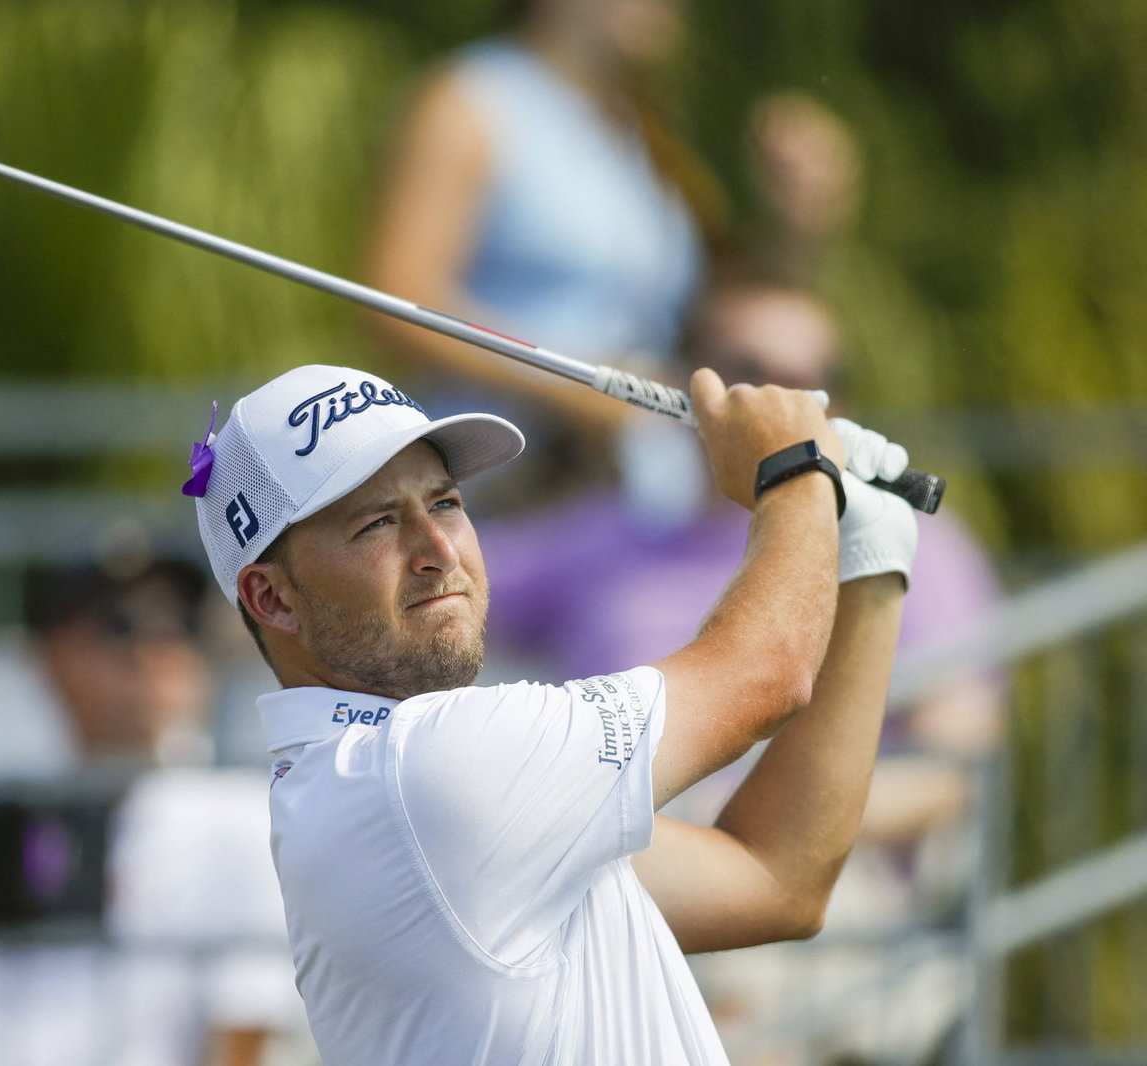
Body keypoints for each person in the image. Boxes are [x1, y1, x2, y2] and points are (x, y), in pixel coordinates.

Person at [183, 361, 918, 1063]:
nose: (439, 549)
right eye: (376, 523)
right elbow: (765, 674)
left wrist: (866, 563)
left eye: (445, 503)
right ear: (271, 597)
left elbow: (775, 879)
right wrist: (795, 471)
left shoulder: (387, 787)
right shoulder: (422, 770)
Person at [482, 278, 1002, 1062]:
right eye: (753, 373)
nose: (790, 402)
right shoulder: (603, 541)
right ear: (685, 387)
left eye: (817, 380)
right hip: (613, 873)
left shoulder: (905, 539)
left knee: (727, 984)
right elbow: (423, 586)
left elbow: (951, 766)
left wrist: (734, 815)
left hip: (830, 894)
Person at [363, 0, 861, 503]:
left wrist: (791, 230)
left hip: (629, 490)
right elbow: (398, 306)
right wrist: (579, 392)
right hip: (503, 485)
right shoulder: (470, 103)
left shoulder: (639, 132)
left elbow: (706, 322)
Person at [0, 556, 309, 1066]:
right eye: (118, 625)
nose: (154, 652)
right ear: (50, 656)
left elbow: (241, 1042)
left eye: (183, 625)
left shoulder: (244, 825)